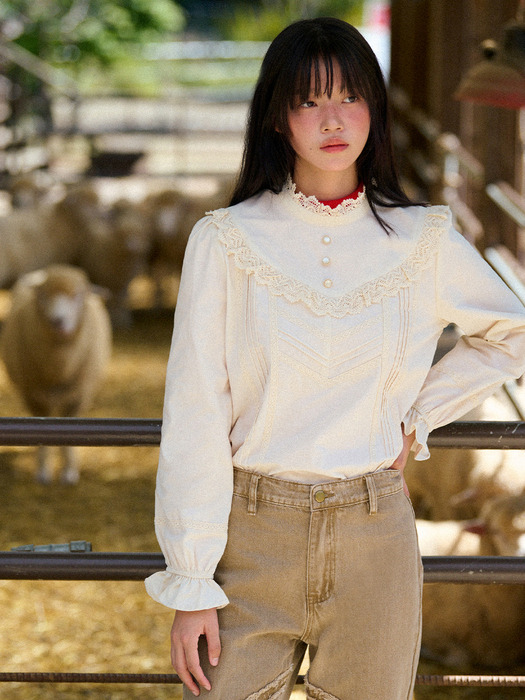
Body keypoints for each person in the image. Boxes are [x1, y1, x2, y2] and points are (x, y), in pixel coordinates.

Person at [145, 17, 525, 699]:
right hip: (249, 533)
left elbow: (510, 331)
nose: (331, 119)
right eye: (307, 100)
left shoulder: (422, 239)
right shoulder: (226, 241)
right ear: (276, 120)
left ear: (373, 113)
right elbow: (195, 410)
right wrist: (191, 580)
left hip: (374, 536)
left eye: (348, 96)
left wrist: (417, 418)